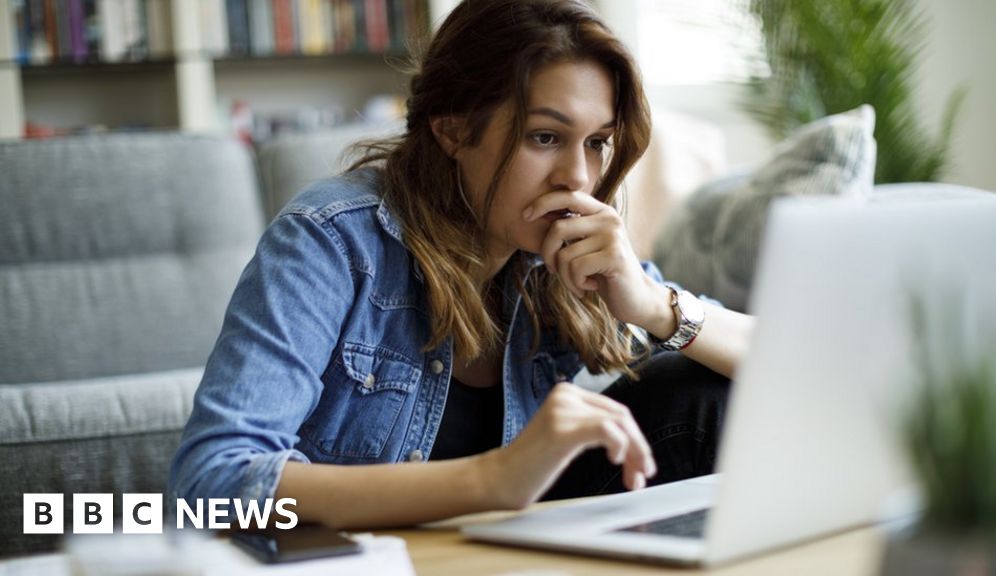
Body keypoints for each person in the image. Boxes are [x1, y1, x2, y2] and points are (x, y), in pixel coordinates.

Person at [169, 0, 755, 530]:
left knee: (702, 390)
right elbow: (211, 482)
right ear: (452, 128)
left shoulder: (560, 257)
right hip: (376, 561)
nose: (578, 177)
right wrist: (495, 480)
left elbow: (781, 362)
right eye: (545, 137)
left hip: (507, 552)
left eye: (597, 142)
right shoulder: (332, 240)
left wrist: (654, 307)